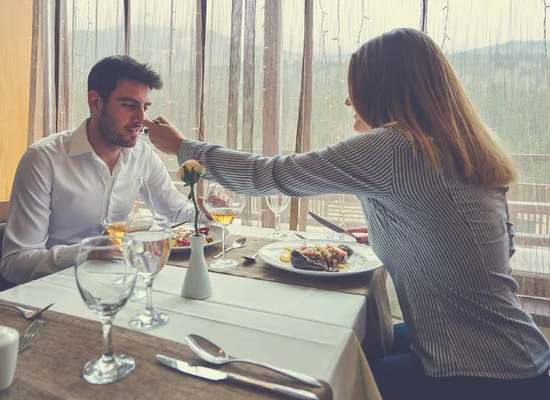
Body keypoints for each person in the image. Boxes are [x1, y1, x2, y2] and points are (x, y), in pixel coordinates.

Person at [146, 28, 550, 399]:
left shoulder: (393, 146)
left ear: (381, 90)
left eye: (353, 88)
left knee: (308, 373)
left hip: (475, 375)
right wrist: (408, 232)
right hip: (520, 357)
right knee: (349, 340)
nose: (346, 100)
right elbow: (500, 246)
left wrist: (184, 147)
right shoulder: (462, 146)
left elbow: (272, 174)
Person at [2, 55, 208, 284]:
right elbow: (15, 264)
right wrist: (88, 251)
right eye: (129, 105)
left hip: (119, 284)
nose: (141, 119)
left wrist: (207, 212)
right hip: (57, 290)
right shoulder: (43, 159)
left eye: (145, 107)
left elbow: (178, 213)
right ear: (95, 103)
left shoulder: (142, 156)